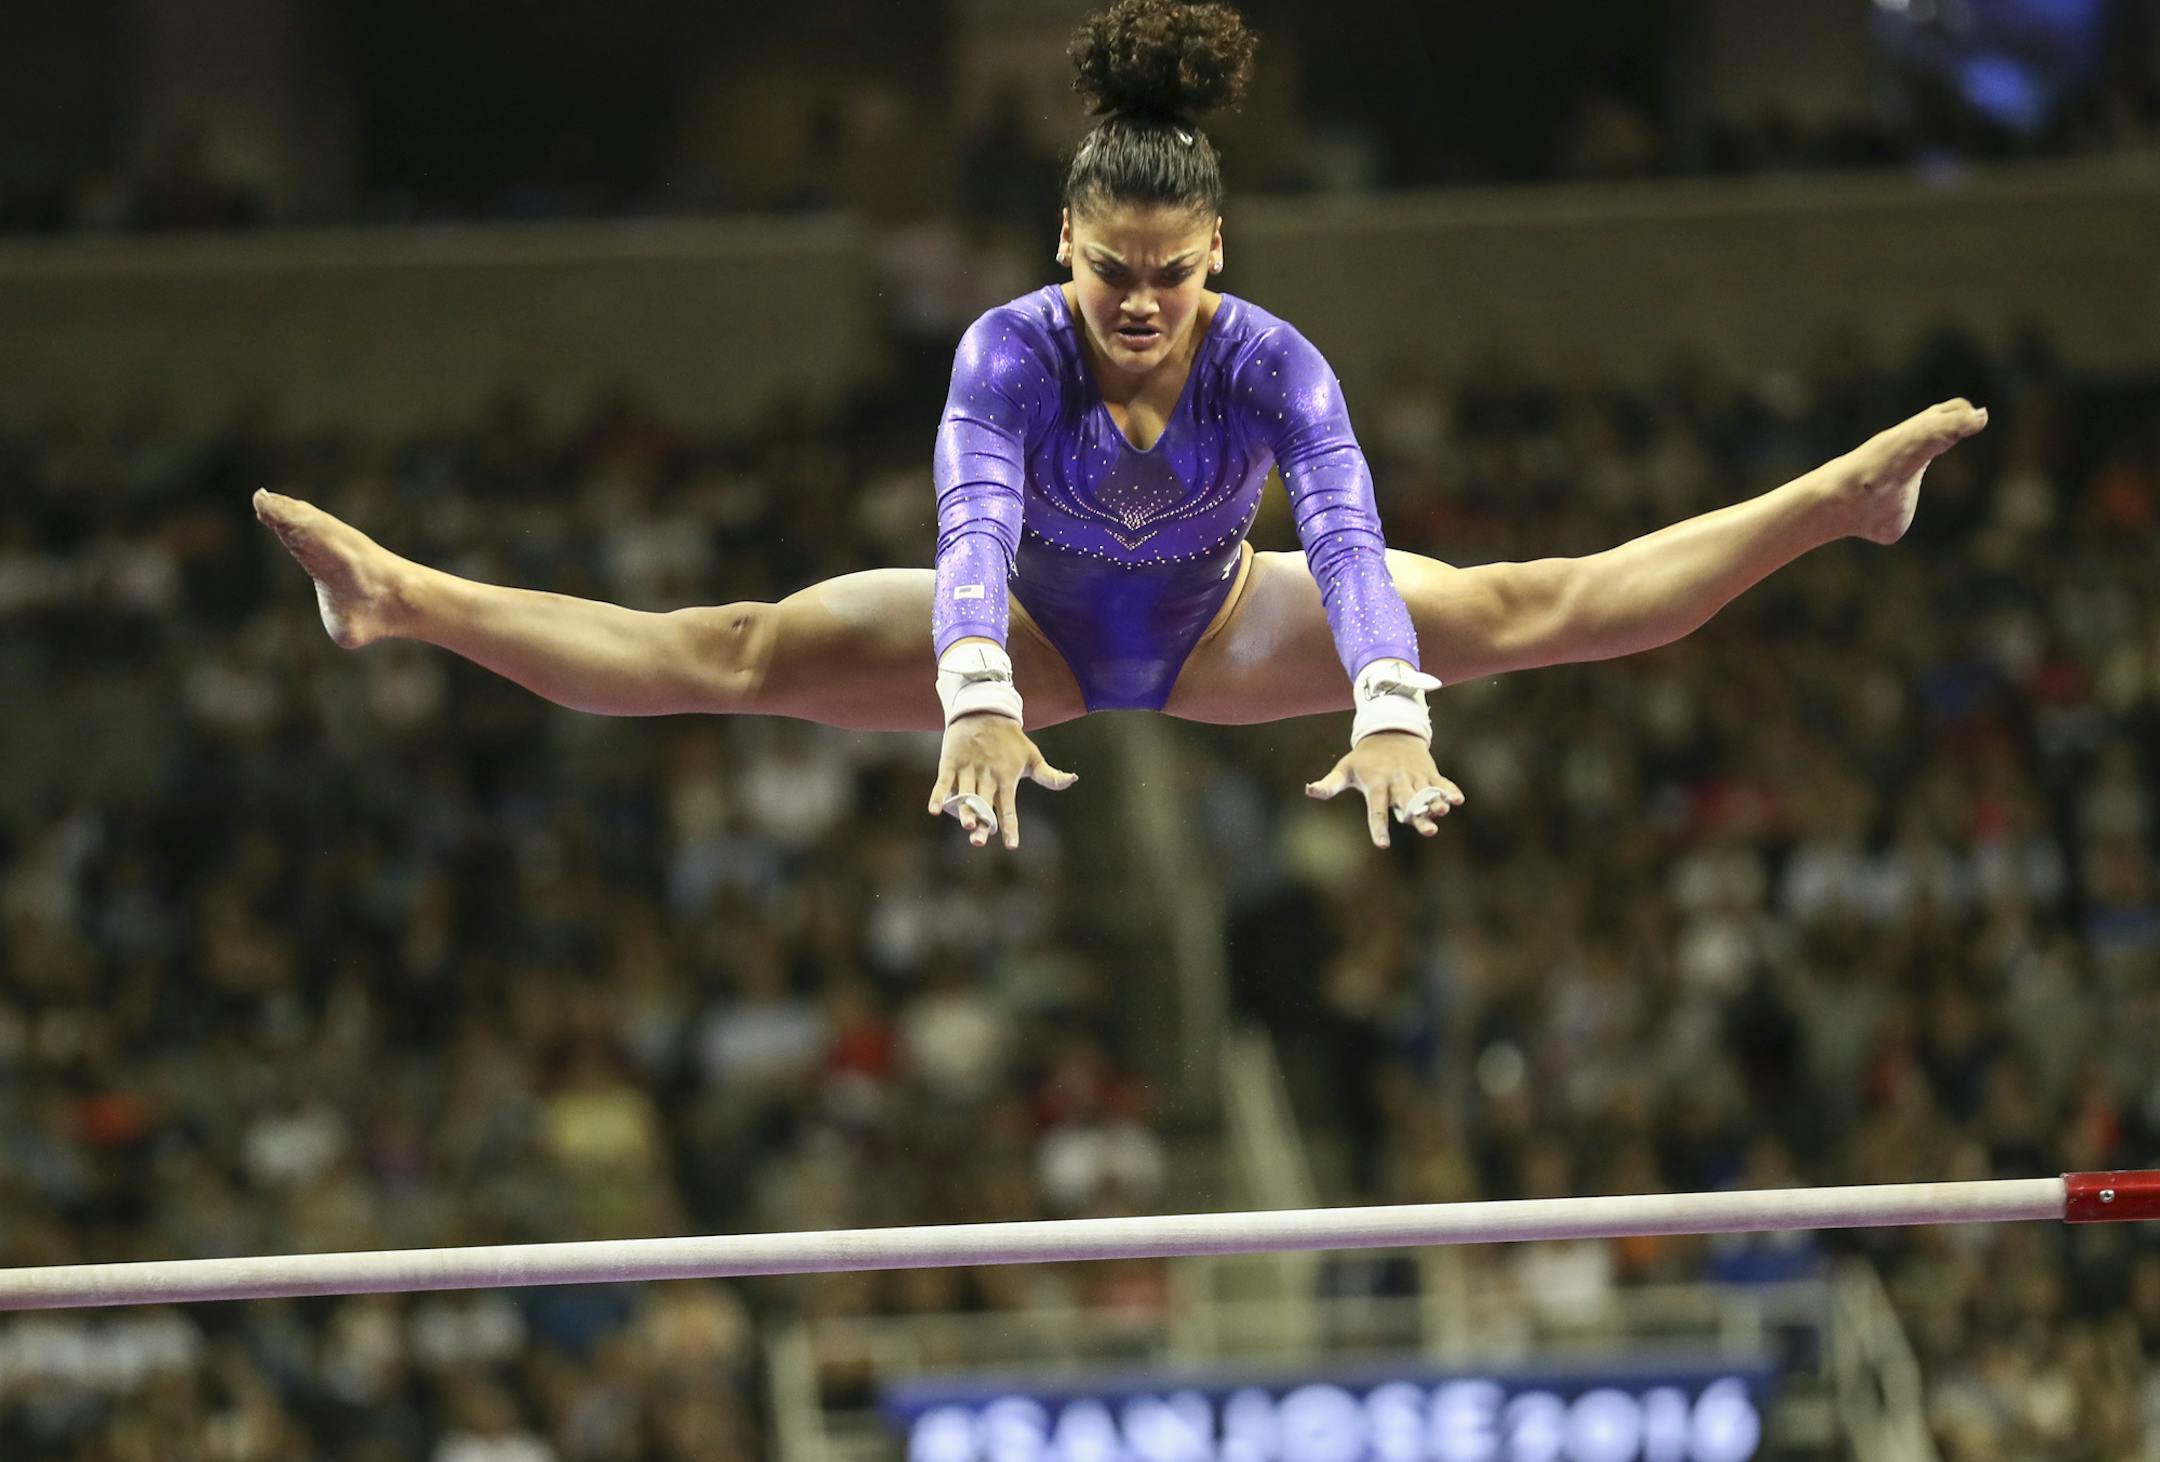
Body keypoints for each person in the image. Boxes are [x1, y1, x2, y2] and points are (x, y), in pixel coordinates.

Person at [253, 0, 1985, 853]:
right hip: (1039, 629)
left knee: (1536, 608)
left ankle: (1838, 506)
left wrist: (1391, 708)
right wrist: (979, 694)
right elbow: (973, 534)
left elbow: (1354, 535)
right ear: (1057, 249)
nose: (1139, 303)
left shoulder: (1277, 364)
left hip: (1233, 623)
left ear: (1215, 251)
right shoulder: (1008, 354)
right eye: (1108, 274)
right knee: (731, 642)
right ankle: (403, 601)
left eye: (1167, 273)